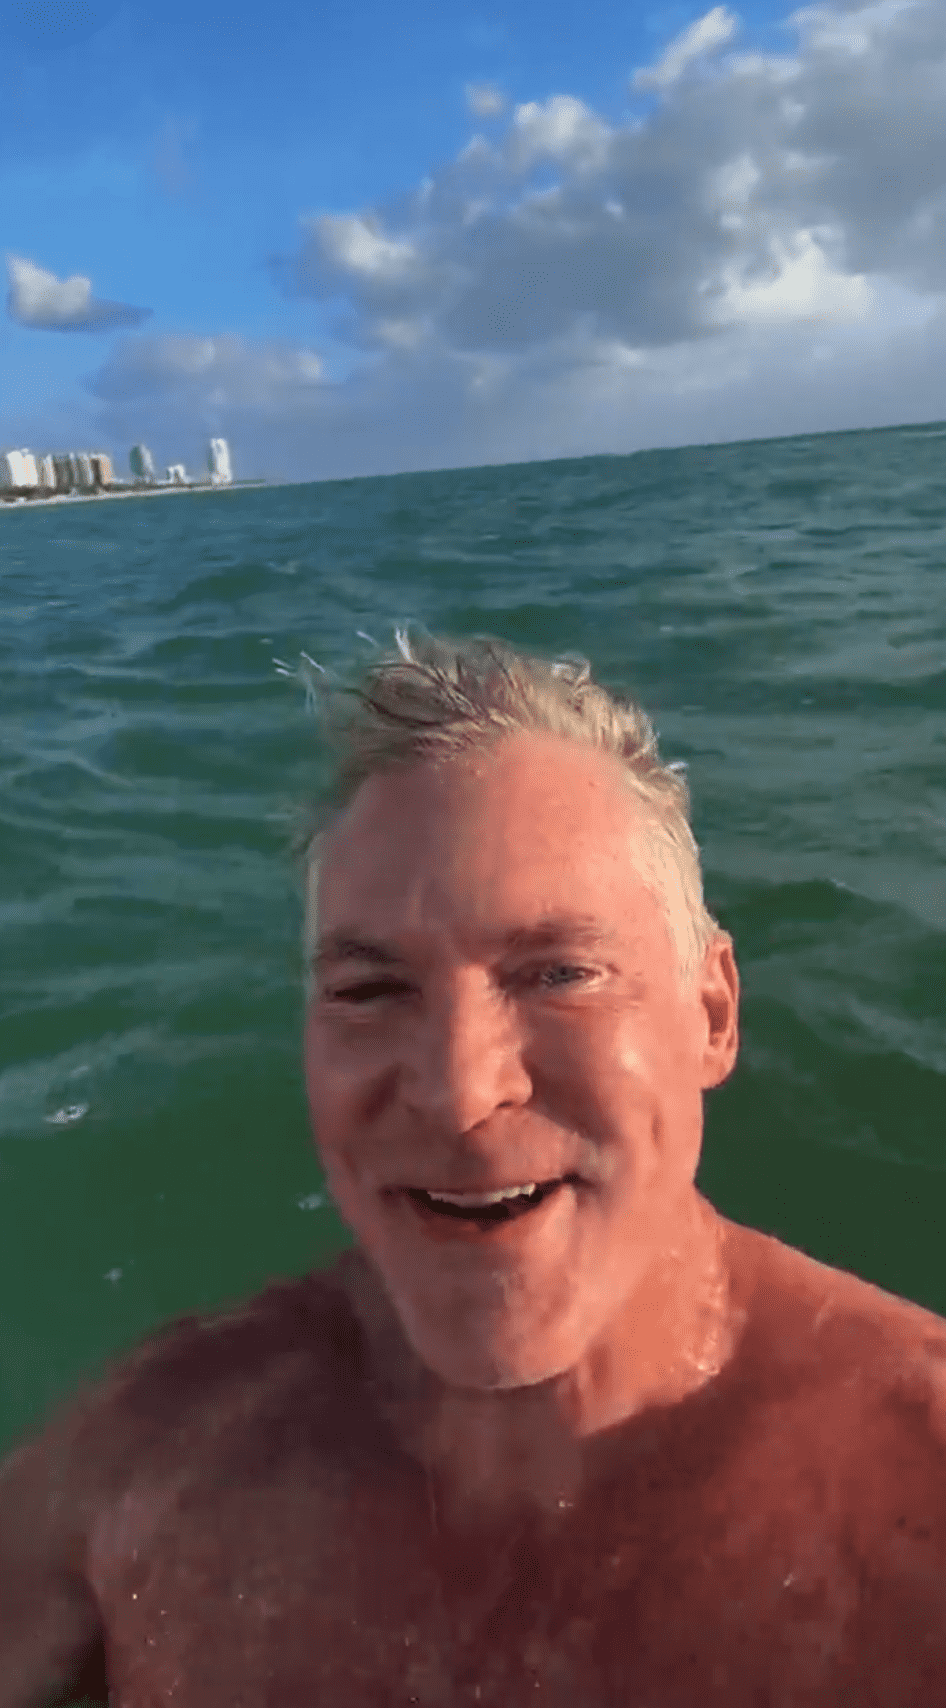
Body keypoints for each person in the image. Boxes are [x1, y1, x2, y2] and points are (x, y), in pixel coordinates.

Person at [2, 628, 946, 1708]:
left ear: (712, 1011)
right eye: (369, 991)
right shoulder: (149, 1461)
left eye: (559, 972)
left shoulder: (917, 1489)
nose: (458, 1091)